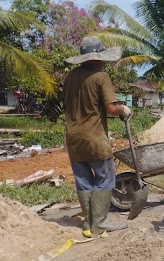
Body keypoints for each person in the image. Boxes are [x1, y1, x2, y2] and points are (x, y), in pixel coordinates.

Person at [63, 36, 131, 238]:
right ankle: (100, 223)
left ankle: (88, 222)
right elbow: (110, 108)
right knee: (105, 177)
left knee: (83, 180)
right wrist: (123, 109)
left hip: (73, 138)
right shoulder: (101, 77)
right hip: (94, 138)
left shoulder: (70, 77)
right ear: (99, 57)